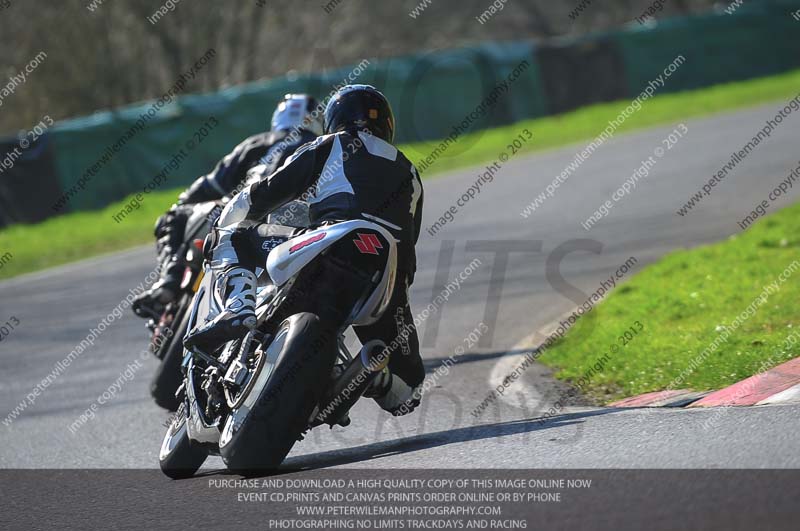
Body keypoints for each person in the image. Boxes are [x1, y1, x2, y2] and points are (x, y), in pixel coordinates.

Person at [184, 84, 425, 415]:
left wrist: (237, 211)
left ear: (335, 120)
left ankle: (239, 308)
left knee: (233, 236)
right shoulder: (411, 172)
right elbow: (409, 247)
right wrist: (396, 302)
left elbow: (268, 191)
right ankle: (376, 377)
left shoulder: (330, 144)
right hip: (386, 272)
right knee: (408, 392)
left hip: (335, 240)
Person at [133, 94, 323, 318]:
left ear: (278, 117)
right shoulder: (324, 147)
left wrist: (185, 204)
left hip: (233, 211)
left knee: (172, 218)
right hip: (294, 228)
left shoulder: (259, 142)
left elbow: (210, 185)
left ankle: (170, 281)